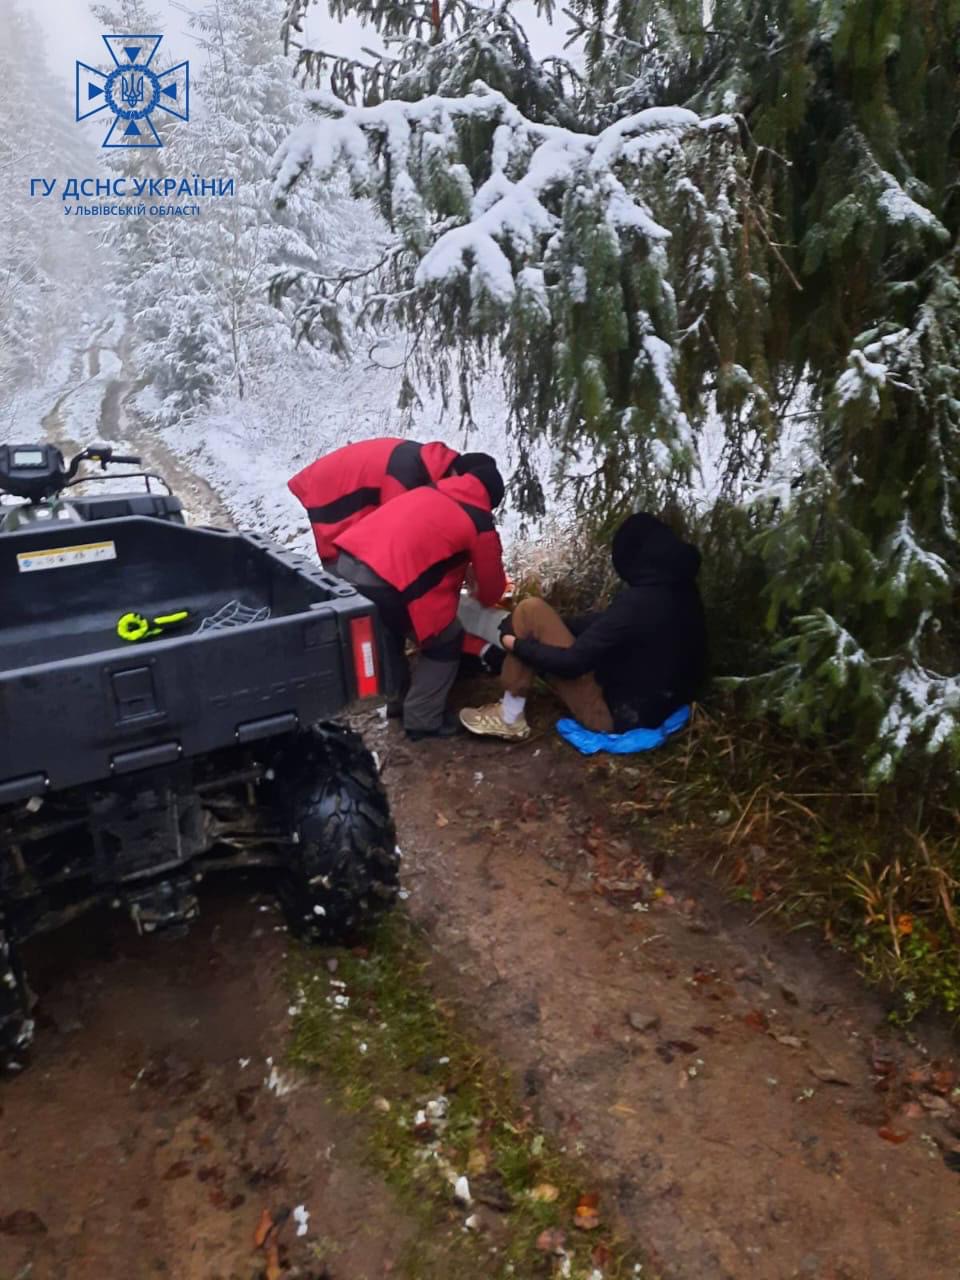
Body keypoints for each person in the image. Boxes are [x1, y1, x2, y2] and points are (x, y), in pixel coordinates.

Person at [460, 512, 707, 741]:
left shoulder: (637, 603)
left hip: (614, 718)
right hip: (661, 709)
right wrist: (555, 626)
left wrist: (517, 645)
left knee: (529, 610)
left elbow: (572, 664)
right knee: (537, 620)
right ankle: (510, 697)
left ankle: (509, 718)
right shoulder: (682, 593)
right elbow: (606, 624)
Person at [331, 455, 507, 740]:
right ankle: (423, 718)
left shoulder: (429, 491)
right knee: (445, 639)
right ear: (490, 498)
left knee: (388, 631)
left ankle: (397, 701)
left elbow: (424, 546)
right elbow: (491, 591)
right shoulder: (479, 520)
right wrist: (476, 581)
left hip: (348, 564)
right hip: (383, 580)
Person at [289, 437, 468, 568]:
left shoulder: (430, 461)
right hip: (330, 486)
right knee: (343, 566)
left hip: (348, 480)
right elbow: (396, 533)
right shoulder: (406, 476)